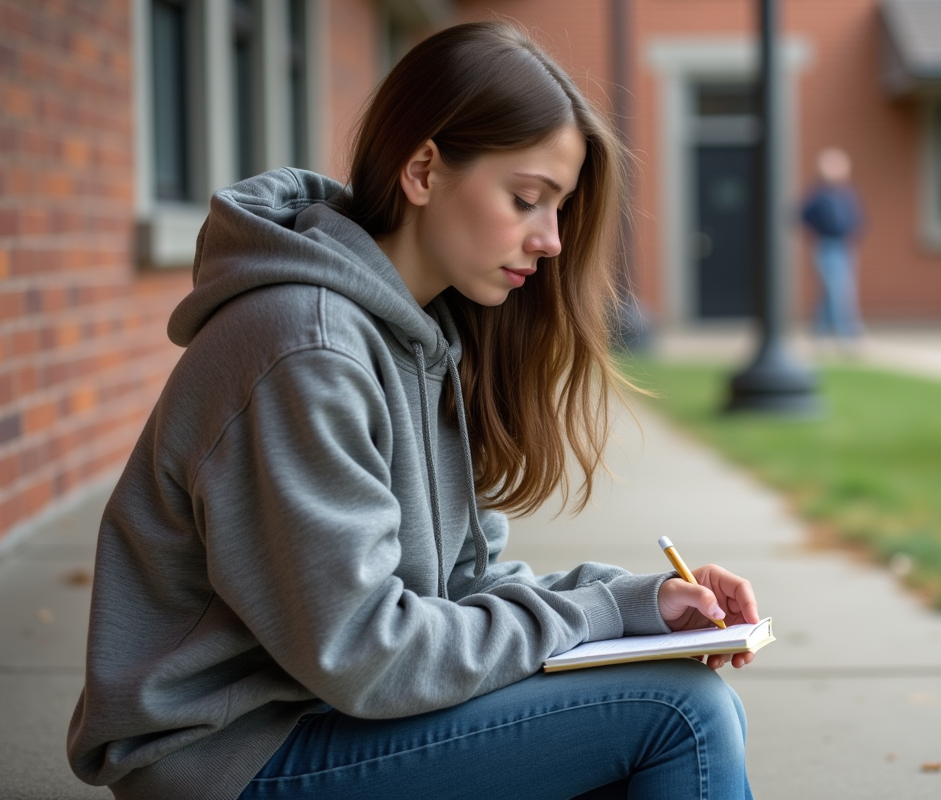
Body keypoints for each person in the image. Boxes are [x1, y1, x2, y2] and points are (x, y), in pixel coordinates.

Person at [66, 22, 759, 800]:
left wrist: (640, 604)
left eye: (559, 209)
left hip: (324, 716)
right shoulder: (308, 348)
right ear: (425, 169)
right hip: (228, 753)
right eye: (527, 199)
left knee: (657, 710)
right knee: (681, 713)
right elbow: (371, 653)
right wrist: (597, 616)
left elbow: (462, 591)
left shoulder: (421, 337)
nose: (554, 241)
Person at [799, 147, 865, 346]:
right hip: (826, 246)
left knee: (833, 291)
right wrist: (818, 233)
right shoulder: (817, 194)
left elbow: (859, 217)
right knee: (837, 289)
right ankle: (847, 333)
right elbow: (801, 216)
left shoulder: (847, 193)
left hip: (846, 246)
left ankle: (820, 331)